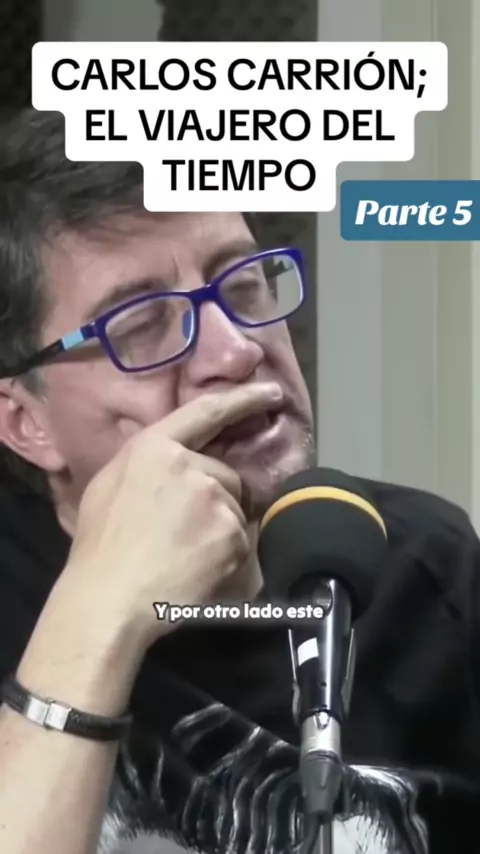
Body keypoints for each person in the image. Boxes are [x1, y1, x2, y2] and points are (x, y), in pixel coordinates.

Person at [0, 108, 479, 854]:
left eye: (245, 283)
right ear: (26, 420)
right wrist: (96, 615)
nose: (236, 352)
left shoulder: (425, 561)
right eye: (142, 325)